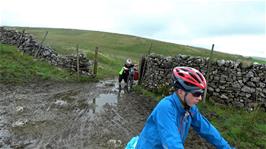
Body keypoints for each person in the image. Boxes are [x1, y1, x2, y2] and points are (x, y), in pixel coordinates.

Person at [126, 66, 234, 149]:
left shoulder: (190, 108)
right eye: (196, 93)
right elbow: (172, 141)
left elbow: (206, 129)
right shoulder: (166, 107)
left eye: (201, 93)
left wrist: (226, 147)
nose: (200, 98)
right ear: (181, 92)